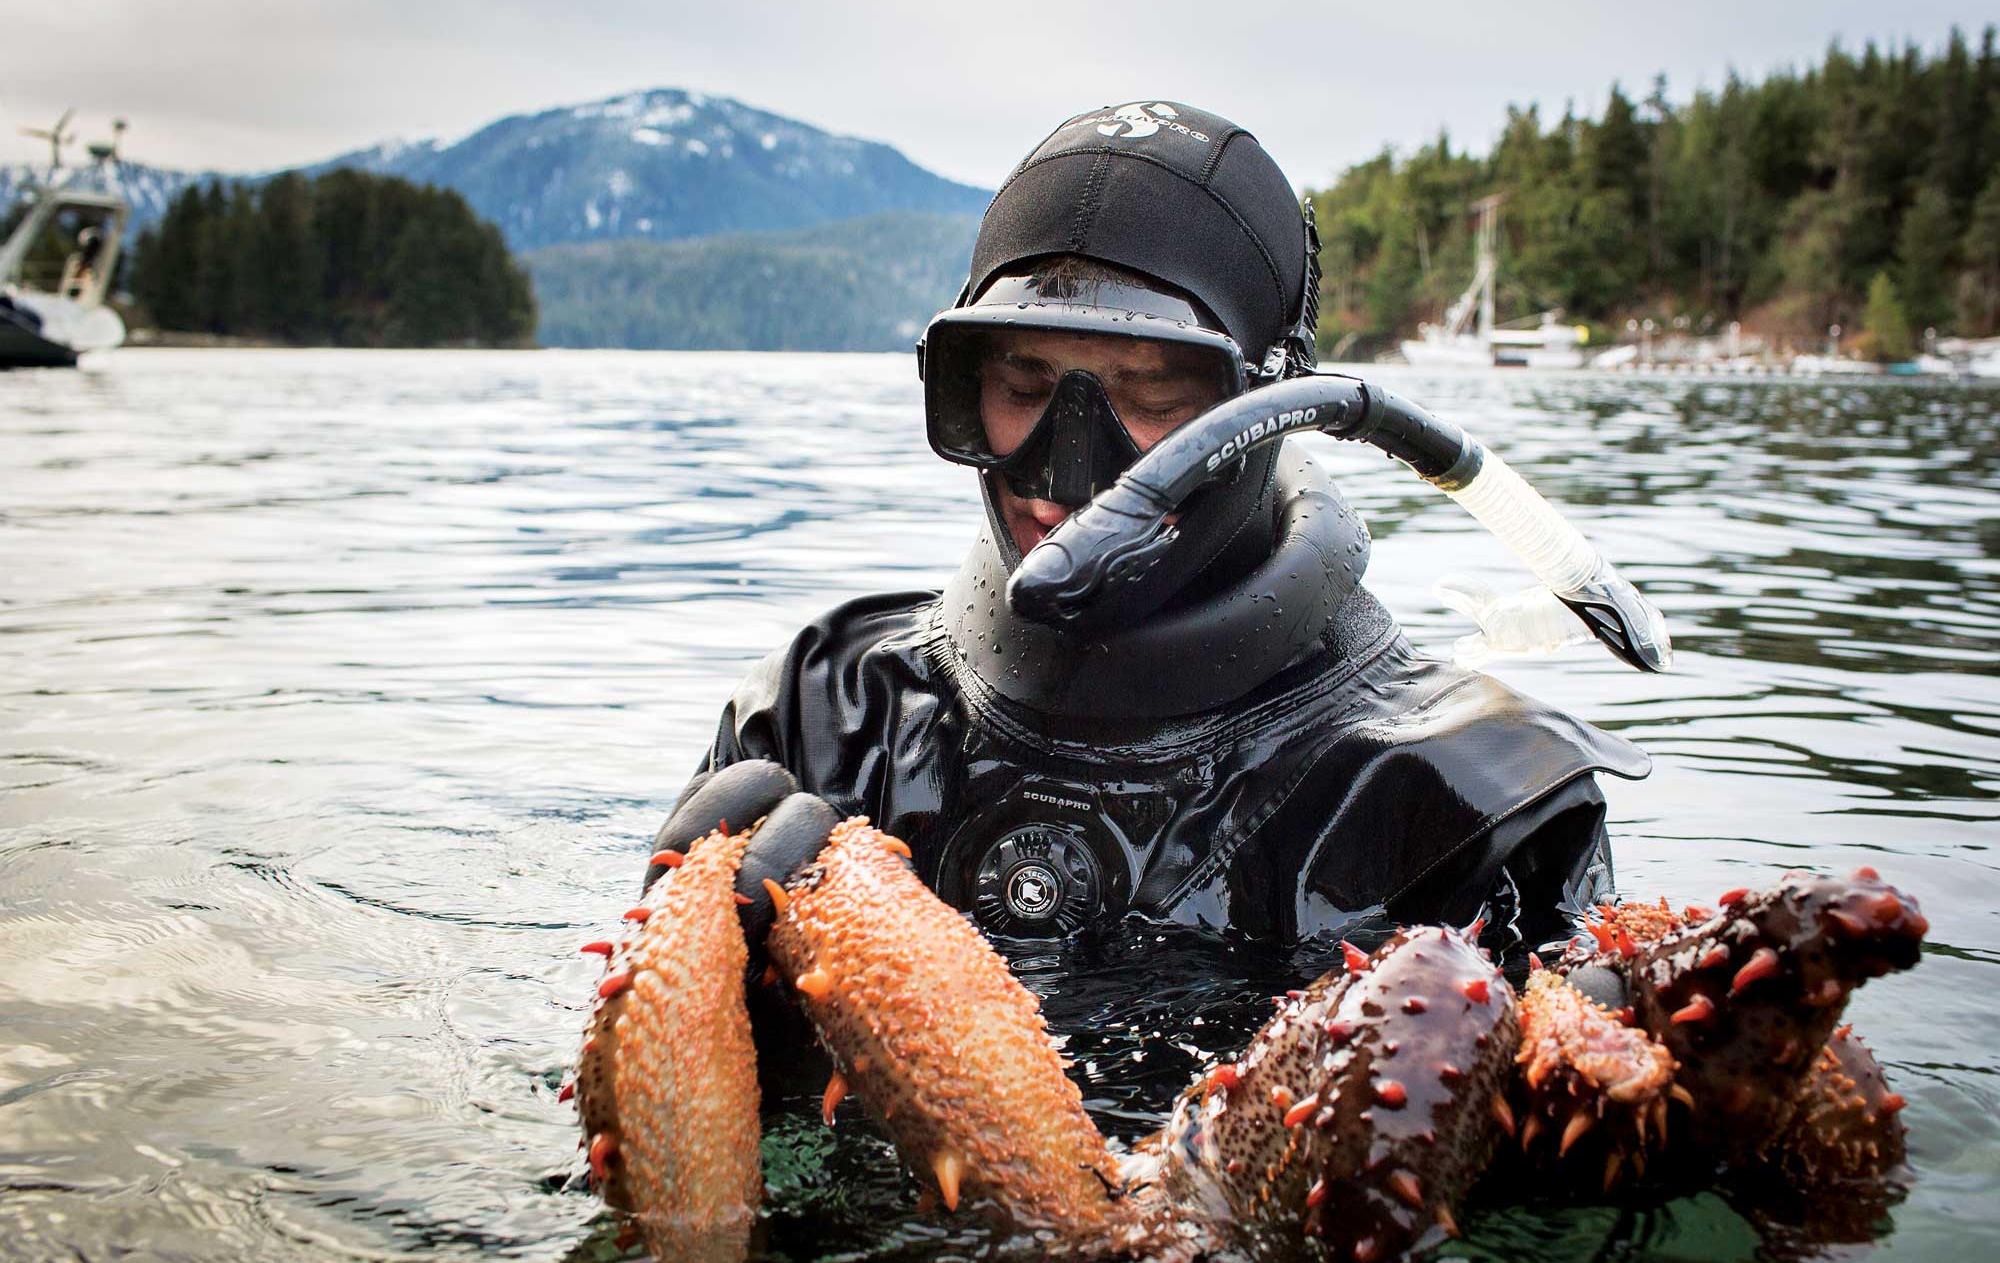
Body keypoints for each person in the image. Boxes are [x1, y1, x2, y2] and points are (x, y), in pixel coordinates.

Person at [650, 101, 1648, 968]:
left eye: (1152, 395)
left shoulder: (1466, 801)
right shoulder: (828, 715)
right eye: (1022, 389)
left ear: (1272, 404)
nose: (1065, 473)